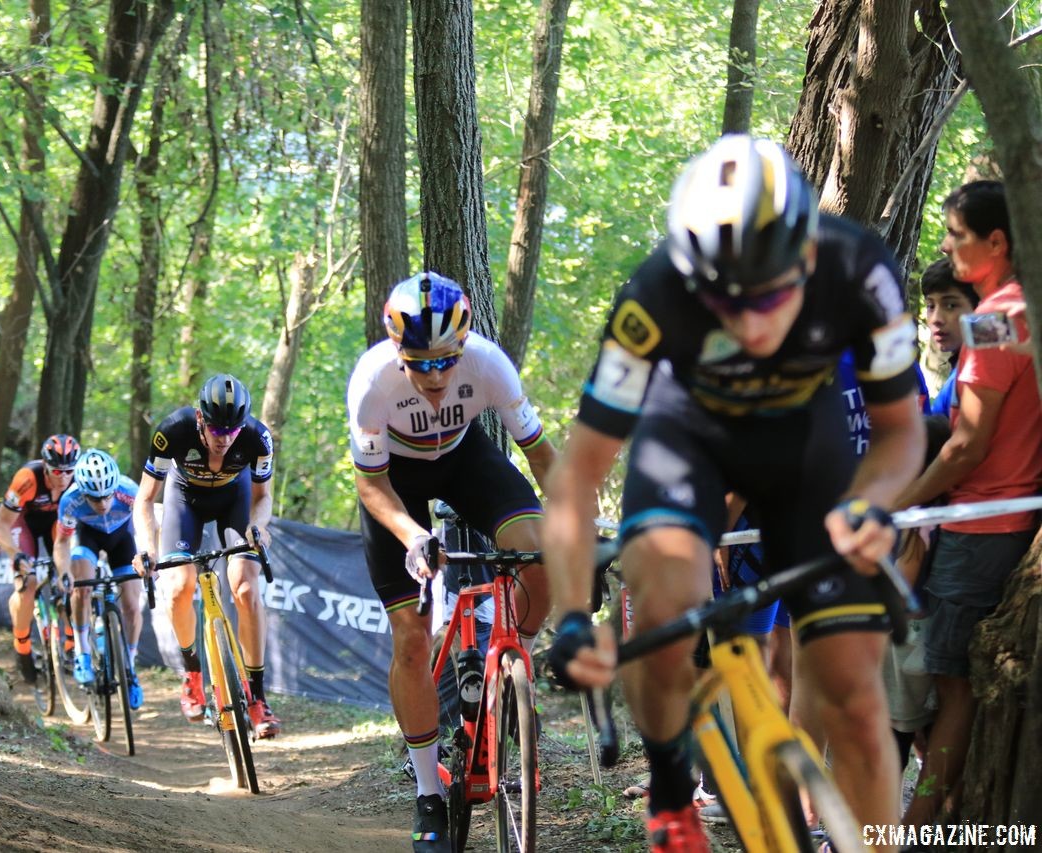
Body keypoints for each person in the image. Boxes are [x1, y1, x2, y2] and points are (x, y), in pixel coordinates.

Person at [542, 135, 923, 852]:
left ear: (807, 255)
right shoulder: (653, 295)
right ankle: (670, 789)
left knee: (857, 700)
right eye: (723, 299)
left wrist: (871, 501)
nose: (749, 322)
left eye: (772, 294)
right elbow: (578, 472)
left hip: (806, 453)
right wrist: (569, 614)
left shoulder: (859, 268)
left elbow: (902, 430)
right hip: (687, 441)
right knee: (665, 610)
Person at [347, 271, 557, 853]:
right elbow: (372, 485)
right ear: (398, 352)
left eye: (447, 361)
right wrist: (413, 535)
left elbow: (539, 453)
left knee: (541, 555)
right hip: (397, 487)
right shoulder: (371, 384)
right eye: (422, 362)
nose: (437, 375)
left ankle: (510, 655)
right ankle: (428, 793)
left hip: (467, 460)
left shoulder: (489, 364)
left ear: (463, 349)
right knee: (412, 638)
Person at [893, 180, 1042, 827]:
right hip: (1001, 522)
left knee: (951, 687)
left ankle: (911, 830)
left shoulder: (996, 315)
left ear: (996, 242)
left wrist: (896, 504)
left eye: (956, 235)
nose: (948, 246)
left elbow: (966, 445)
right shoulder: (1024, 307)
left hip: (984, 525)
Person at [131, 374, 280, 736]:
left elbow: (263, 499)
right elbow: (146, 499)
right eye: (216, 430)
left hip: (236, 499)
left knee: (245, 588)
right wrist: (147, 547)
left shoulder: (258, 438)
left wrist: (257, 529)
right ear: (200, 419)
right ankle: (192, 674)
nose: (224, 438)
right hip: (186, 501)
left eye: (232, 430)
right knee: (180, 586)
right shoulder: (173, 431)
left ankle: (257, 696)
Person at [55, 448, 146, 711]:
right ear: (83, 491)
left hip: (122, 537)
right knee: (80, 589)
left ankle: (129, 666)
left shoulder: (129, 490)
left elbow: (148, 524)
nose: (103, 504)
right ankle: (83, 651)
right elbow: (62, 543)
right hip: (89, 537)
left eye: (107, 496)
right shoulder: (70, 500)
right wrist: (64, 572)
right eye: (95, 499)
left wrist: (149, 557)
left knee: (130, 603)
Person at [0, 434, 80, 691]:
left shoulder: (77, 479)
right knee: (27, 584)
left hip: (57, 525)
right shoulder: (27, 478)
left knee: (71, 577)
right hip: (24, 523)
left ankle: (72, 644)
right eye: (56, 471)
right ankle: (22, 646)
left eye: (68, 472)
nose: (63, 477)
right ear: (44, 465)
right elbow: (2, 523)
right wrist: (14, 553)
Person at [920, 256, 979, 417]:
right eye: (930, 306)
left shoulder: (976, 375)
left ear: (979, 307)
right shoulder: (960, 368)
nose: (936, 319)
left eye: (951, 305)